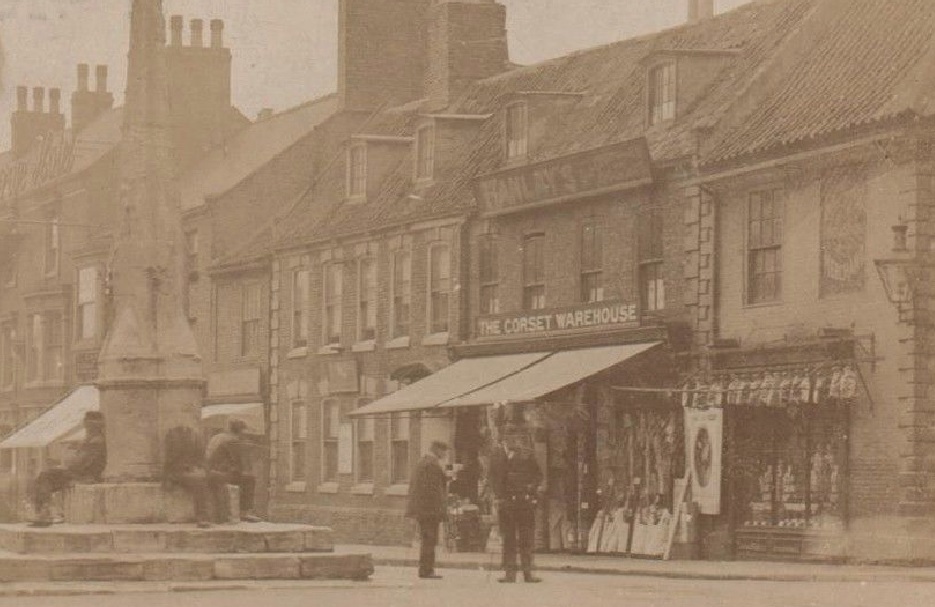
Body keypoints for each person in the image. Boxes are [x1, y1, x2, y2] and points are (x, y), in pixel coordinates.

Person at [29, 411, 107, 527]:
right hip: (80, 474)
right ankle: (44, 511)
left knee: (45, 476)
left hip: (85, 477)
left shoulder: (95, 441)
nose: (86, 427)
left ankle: (45, 512)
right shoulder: (92, 440)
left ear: (93, 426)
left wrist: (71, 458)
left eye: (88, 424)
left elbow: (78, 464)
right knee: (44, 476)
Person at [490, 432, 543, 583]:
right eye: (509, 437)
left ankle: (528, 573)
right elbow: (493, 477)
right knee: (508, 539)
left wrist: (530, 488)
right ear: (504, 439)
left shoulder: (527, 455)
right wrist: (497, 496)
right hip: (506, 503)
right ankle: (509, 574)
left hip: (524, 502)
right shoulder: (497, 455)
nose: (513, 441)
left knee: (526, 538)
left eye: (515, 437)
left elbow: (538, 475)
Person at [163, 425, 225, 529]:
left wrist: (202, 468)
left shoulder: (194, 434)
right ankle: (202, 518)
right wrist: (189, 468)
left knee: (218, 477)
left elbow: (200, 457)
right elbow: (170, 458)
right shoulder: (172, 434)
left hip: (194, 469)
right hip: (178, 471)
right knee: (198, 481)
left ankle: (220, 516)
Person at [405, 440, 449, 580]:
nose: (445, 454)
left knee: (427, 539)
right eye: (443, 451)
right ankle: (426, 570)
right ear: (437, 450)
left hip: (423, 509)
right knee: (430, 539)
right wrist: (440, 510)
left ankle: (426, 569)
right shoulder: (432, 464)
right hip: (429, 510)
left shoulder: (424, 462)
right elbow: (434, 491)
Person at [205, 419, 262, 523]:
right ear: (238, 431)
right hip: (219, 472)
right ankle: (240, 513)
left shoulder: (229, 440)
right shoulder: (228, 441)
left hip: (223, 471)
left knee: (248, 478)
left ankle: (244, 513)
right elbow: (216, 459)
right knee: (248, 478)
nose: (242, 435)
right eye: (242, 432)